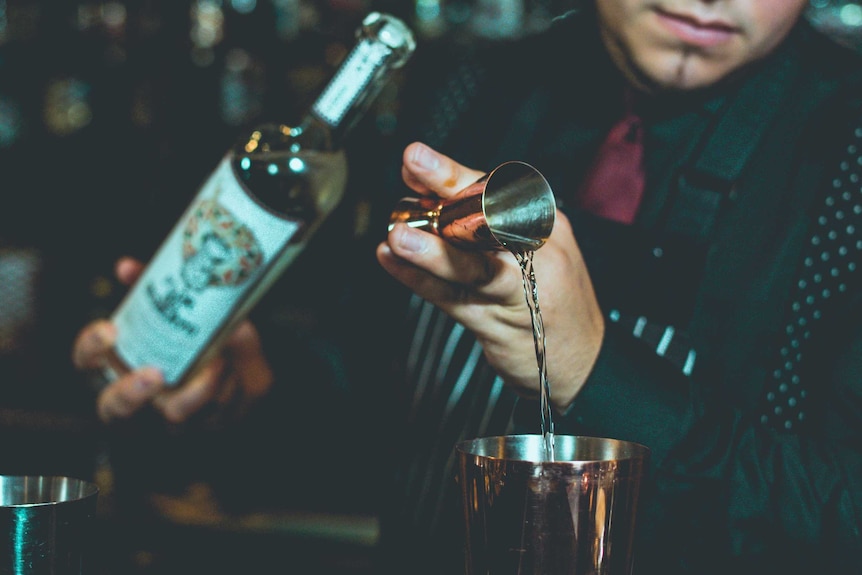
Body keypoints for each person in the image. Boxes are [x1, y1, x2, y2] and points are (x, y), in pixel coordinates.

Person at [71, 1, 862, 573]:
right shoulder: (474, 89)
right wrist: (250, 383)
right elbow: (376, 376)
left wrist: (595, 369)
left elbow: (836, 514)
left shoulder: (846, 159)